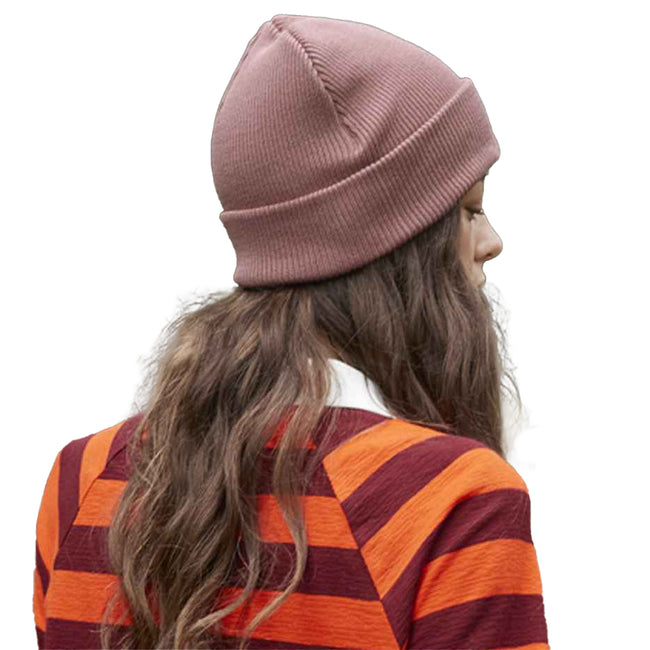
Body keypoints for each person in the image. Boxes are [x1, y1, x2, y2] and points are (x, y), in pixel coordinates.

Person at [32, 13, 549, 650]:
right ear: (390, 242)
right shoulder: (454, 503)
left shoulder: (82, 482)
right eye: (467, 210)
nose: (492, 241)